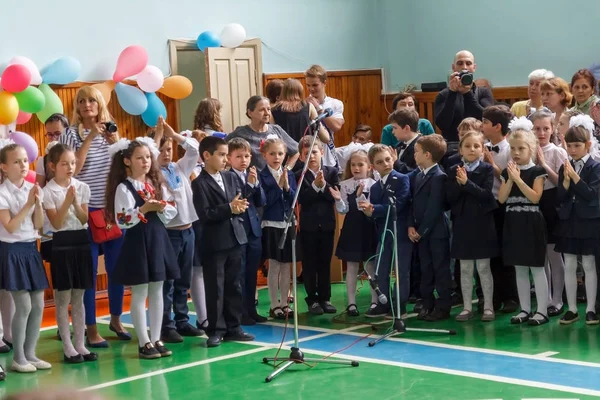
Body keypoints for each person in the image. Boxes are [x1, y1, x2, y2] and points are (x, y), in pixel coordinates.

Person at [59, 86, 128, 347]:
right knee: (88, 273)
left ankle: (116, 318)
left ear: (100, 104)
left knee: (117, 269)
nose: (87, 105)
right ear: (76, 107)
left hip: (112, 211)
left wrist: (117, 146)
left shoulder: (111, 131)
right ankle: (90, 327)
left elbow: (123, 167)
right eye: (82, 101)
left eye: (92, 100)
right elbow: (73, 169)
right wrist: (89, 138)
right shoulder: (70, 134)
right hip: (85, 213)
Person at [106, 138, 179, 359]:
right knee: (140, 292)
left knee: (158, 289)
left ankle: (156, 337)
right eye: (139, 157)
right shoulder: (124, 187)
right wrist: (144, 209)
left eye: (148, 157)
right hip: (138, 241)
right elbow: (122, 219)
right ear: (127, 161)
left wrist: (161, 207)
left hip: (158, 238)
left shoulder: (155, 183)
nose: (145, 161)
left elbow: (171, 209)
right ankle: (144, 341)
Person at [192, 136, 255, 347]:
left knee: (234, 285)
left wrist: (239, 206)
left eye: (225, 155)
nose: (225, 159)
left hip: (235, 237)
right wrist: (229, 208)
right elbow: (205, 213)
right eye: (221, 155)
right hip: (215, 242)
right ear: (206, 156)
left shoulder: (229, 177)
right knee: (215, 287)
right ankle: (216, 329)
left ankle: (234, 326)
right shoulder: (199, 183)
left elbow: (237, 200)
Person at [42, 144, 96, 363]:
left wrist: (75, 202)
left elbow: (84, 220)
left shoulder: (81, 186)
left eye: (72, 163)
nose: (70, 167)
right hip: (61, 242)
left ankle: (81, 345)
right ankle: (67, 346)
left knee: (79, 296)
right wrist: (67, 202)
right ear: (53, 166)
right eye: (64, 163)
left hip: (81, 240)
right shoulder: (48, 191)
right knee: (63, 297)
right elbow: (55, 222)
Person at [152, 117, 204, 343]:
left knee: (184, 278)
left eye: (169, 149)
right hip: (169, 233)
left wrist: (174, 136)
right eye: (162, 150)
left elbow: (195, 149)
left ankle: (182, 320)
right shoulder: (153, 173)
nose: (166, 154)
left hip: (188, 230)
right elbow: (150, 157)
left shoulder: (180, 167)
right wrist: (156, 139)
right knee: (168, 281)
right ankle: (166, 324)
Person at [0, 143, 49, 373]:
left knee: (38, 304)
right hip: (11, 251)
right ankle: (18, 358)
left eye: (24, 161)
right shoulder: (2, 193)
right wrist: (29, 203)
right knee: (24, 304)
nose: (22, 165)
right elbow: (10, 226)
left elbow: (38, 224)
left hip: (31, 249)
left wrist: (37, 204)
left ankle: (30, 353)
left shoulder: (31, 188)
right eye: (16, 162)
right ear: (4, 167)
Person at [498, 118, 549, 326]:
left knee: (536, 267)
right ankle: (525, 309)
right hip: (513, 221)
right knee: (519, 267)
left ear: (532, 149)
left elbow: (535, 197)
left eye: (521, 148)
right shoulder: (506, 173)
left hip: (531, 221)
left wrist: (518, 179)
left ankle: (542, 310)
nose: (516, 152)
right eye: (513, 148)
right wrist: (510, 179)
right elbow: (501, 199)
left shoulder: (537, 172)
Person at [446, 131, 497, 322]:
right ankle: (467, 307)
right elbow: (450, 198)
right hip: (462, 223)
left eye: (476, 146)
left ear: (483, 149)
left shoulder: (486, 169)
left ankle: (488, 307)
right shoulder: (453, 170)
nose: (472, 149)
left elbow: (485, 195)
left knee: (483, 267)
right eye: (467, 146)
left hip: (482, 223)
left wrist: (467, 183)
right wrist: (459, 185)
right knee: (465, 268)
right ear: (460, 150)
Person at [555, 115, 600, 325]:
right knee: (570, 264)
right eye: (569, 145)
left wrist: (574, 178)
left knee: (589, 264)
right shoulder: (565, 167)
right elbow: (560, 198)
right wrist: (564, 183)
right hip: (569, 221)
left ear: (588, 145)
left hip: (589, 221)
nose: (572, 149)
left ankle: (590, 309)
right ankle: (572, 308)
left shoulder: (596, 167)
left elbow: (592, 194)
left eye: (577, 145)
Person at [358, 145, 411, 318]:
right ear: (373, 166)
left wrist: (374, 209)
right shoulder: (374, 188)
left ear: (393, 158)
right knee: (381, 270)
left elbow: (399, 204)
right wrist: (368, 213)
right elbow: (374, 215)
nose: (386, 164)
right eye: (380, 162)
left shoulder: (402, 179)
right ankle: (384, 302)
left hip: (400, 232)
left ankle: (399, 304)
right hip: (384, 234)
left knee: (401, 271)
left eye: (388, 159)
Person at [407, 135, 451, 321]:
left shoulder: (439, 177)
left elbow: (434, 208)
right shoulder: (418, 175)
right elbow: (412, 202)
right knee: (425, 269)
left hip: (435, 232)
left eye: (416, 152)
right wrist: (411, 225)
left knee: (440, 269)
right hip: (420, 232)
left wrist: (421, 231)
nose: (414, 155)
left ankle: (443, 306)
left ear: (427, 154)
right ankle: (427, 303)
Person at [330, 150, 378, 316]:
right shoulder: (345, 185)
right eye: (353, 165)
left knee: (370, 265)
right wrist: (338, 199)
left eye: (360, 164)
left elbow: (369, 208)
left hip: (369, 227)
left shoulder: (374, 184)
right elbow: (343, 210)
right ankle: (351, 303)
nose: (356, 168)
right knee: (351, 266)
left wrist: (358, 197)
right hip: (352, 228)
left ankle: (374, 301)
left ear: (369, 166)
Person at [481, 105, 519, 313]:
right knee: (491, 254)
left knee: (506, 253)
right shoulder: (482, 146)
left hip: (505, 205)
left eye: (485, 122)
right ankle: (492, 297)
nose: (482, 125)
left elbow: (511, 178)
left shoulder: (510, 149)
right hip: (488, 206)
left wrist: (492, 165)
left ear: (497, 126)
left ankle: (511, 296)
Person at [296, 136, 340, 315]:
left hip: (327, 225)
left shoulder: (331, 172)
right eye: (306, 154)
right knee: (310, 264)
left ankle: (325, 297)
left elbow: (334, 195)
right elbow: (302, 198)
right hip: (308, 227)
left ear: (321, 152)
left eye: (314, 152)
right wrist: (315, 187)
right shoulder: (299, 175)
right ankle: (312, 299)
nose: (311, 156)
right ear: (301, 157)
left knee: (324, 262)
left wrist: (323, 186)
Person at [530, 110, 567, 316]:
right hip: (534, 205)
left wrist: (543, 164)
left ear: (552, 129)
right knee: (540, 256)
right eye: (537, 129)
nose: (541, 133)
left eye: (546, 128)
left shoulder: (557, 152)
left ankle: (557, 299)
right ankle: (544, 299)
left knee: (554, 255)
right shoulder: (527, 150)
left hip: (552, 204)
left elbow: (561, 183)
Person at [226, 138, 267, 325]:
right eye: (239, 156)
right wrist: (249, 186)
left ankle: (251, 309)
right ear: (229, 158)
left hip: (253, 230)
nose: (244, 160)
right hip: (239, 230)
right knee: (239, 274)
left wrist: (256, 184)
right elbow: (239, 200)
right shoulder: (228, 177)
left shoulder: (252, 174)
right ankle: (240, 312)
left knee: (252, 273)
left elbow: (261, 201)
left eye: (247, 156)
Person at [258, 137, 297, 320]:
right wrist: (279, 186)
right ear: (264, 156)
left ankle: (285, 302)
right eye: (272, 154)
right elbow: (264, 201)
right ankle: (274, 305)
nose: (276, 157)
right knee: (274, 265)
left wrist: (287, 187)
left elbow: (294, 199)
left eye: (280, 153)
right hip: (271, 224)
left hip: (287, 223)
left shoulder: (289, 174)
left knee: (286, 265)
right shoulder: (261, 176)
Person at [434, 50, 495, 148]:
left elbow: (487, 119)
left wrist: (467, 93)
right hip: (452, 147)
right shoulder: (443, 95)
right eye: (460, 63)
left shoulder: (483, 92)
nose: (464, 67)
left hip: (479, 146)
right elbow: (442, 124)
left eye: (468, 63)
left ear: (474, 67)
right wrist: (452, 93)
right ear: (453, 67)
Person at [227, 96, 299, 171]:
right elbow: (221, 151)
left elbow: (296, 151)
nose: (267, 113)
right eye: (262, 110)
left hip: (274, 180)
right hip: (252, 180)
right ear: (250, 113)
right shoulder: (240, 133)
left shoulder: (276, 130)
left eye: (268, 109)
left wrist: (286, 169)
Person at [305, 65, 345, 168]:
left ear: (324, 83)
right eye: (308, 85)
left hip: (328, 158)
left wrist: (318, 108)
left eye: (315, 85)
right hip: (310, 158)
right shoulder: (304, 105)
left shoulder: (335, 103)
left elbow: (336, 126)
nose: (311, 89)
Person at [271, 78, 330, 143]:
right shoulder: (309, 106)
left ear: (283, 91)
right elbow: (325, 138)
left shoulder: (273, 110)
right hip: (306, 150)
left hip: (285, 151)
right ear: (300, 91)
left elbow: (273, 136)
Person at [37, 113, 71, 187]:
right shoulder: (42, 161)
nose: (53, 138)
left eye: (57, 133)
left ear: (67, 133)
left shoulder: (78, 153)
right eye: (49, 134)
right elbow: (39, 191)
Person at [389, 109, 421, 174]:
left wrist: (396, 162)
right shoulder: (399, 145)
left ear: (406, 128)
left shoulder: (422, 147)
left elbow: (418, 174)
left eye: (395, 128)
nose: (392, 132)